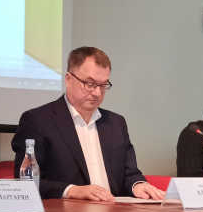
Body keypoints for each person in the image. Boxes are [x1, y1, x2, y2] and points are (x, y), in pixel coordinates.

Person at [12, 47, 165, 201]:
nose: (97, 93)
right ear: (68, 79)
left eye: (103, 85)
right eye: (90, 84)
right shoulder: (38, 121)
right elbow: (27, 181)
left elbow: (129, 174)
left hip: (115, 211)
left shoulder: (116, 123)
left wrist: (137, 185)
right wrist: (72, 190)